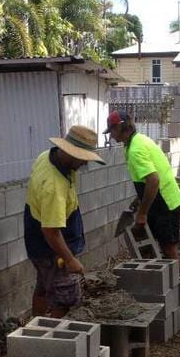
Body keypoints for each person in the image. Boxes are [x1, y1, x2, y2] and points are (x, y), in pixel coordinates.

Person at [24, 125, 105, 317]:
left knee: (44, 286)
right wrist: (69, 259)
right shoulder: (54, 187)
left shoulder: (47, 156)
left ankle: (37, 332)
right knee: (65, 298)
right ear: (71, 153)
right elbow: (51, 231)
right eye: (83, 159)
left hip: (38, 239)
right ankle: (56, 342)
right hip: (51, 247)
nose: (85, 164)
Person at [105, 110, 180, 262]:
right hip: (165, 199)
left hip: (165, 203)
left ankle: (179, 283)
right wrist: (139, 199)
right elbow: (148, 178)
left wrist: (142, 214)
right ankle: (168, 280)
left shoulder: (135, 150)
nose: (112, 135)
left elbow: (153, 181)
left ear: (121, 128)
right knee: (164, 246)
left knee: (169, 249)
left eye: (112, 131)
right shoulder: (138, 140)